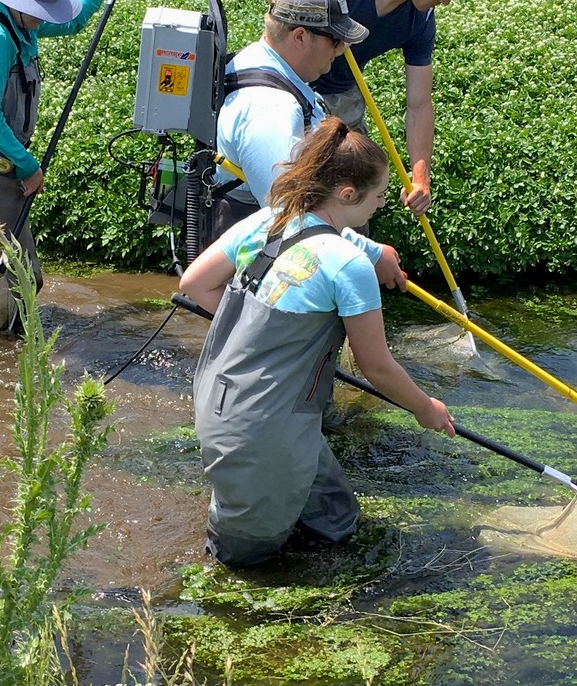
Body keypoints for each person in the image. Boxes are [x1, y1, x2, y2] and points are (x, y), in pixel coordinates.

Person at [180, 118, 452, 567]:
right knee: (242, 563)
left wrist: (260, 339)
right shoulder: (348, 266)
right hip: (263, 430)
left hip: (220, 399)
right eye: (380, 196)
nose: (381, 206)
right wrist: (426, 407)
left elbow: (195, 283)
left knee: (336, 519)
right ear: (348, 194)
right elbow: (376, 367)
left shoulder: (269, 220)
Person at [0, 0, 137, 287]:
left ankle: (13, 335)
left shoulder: (19, 23)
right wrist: (29, 166)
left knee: (19, 270)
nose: (43, 17)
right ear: (17, 2)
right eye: (39, 10)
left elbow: (74, 21)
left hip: (1, 158)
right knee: (9, 277)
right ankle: (5, 337)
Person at [309, 0, 478, 215]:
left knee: (358, 188)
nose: (446, 1)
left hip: (344, 93)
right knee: (307, 187)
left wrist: (420, 176)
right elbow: (283, 36)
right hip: (294, 86)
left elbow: (420, 104)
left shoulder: (420, 20)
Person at [211, 0, 367, 239]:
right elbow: (287, 214)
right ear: (300, 37)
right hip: (267, 268)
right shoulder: (269, 109)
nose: (342, 50)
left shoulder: (255, 61)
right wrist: (372, 254)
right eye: (336, 41)